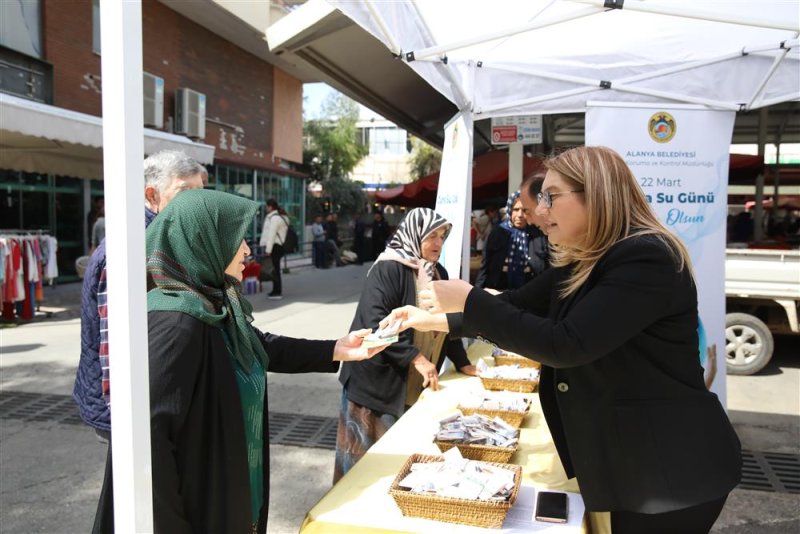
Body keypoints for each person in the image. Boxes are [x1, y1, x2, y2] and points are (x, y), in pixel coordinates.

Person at [382, 146, 742, 534]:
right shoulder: (593, 260)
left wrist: (469, 298)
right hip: (639, 464)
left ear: (597, 194)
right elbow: (520, 304)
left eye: (551, 196)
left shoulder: (645, 257)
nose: (539, 211)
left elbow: (565, 344)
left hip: (671, 470)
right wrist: (436, 320)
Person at [93, 189, 388, 533]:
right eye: (238, 238)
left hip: (223, 493)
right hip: (194, 511)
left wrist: (336, 349)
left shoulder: (209, 303)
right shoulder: (176, 322)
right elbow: (145, 444)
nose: (248, 249)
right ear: (205, 241)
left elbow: (255, 345)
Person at [333, 207, 478, 483]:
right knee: (362, 469)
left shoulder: (438, 273)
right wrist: (417, 358)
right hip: (375, 385)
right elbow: (377, 323)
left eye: (442, 236)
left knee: (398, 468)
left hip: (411, 383)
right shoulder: (388, 269)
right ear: (414, 234)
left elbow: (446, 322)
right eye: (431, 236)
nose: (438, 243)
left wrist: (463, 362)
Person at [73, 150, 207, 445]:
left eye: (201, 192)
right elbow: (112, 349)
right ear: (152, 194)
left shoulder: (167, 236)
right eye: (186, 191)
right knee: (135, 490)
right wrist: (126, 420)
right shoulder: (128, 250)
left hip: (157, 403)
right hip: (133, 414)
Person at [475, 191, 537, 291]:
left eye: (524, 210)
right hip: (499, 291)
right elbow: (485, 266)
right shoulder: (497, 233)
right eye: (516, 210)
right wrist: (477, 292)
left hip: (530, 293)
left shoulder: (537, 234)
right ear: (509, 210)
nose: (520, 215)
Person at [259, 198, 288, 299]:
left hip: (275, 246)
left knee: (275, 270)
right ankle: (275, 290)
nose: (266, 208)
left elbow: (271, 235)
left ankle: (277, 292)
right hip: (279, 246)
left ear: (270, 206)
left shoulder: (274, 218)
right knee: (275, 269)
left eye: (267, 206)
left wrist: (268, 250)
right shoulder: (281, 216)